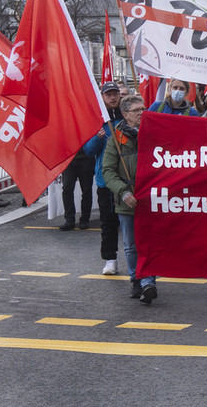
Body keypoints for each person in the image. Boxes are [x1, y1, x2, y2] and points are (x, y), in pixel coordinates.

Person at [103, 94, 158, 304]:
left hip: (151, 200)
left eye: (144, 109)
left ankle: (148, 282)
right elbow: (108, 171)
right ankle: (137, 280)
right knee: (131, 245)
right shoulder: (115, 141)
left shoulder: (153, 134)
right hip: (127, 201)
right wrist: (123, 192)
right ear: (125, 114)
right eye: (137, 110)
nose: (142, 113)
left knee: (150, 242)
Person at [84, 81, 124, 275]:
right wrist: (98, 137)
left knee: (131, 224)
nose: (113, 97)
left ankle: (138, 259)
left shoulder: (127, 117)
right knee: (109, 223)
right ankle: (110, 259)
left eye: (115, 93)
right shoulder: (96, 121)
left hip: (128, 180)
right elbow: (88, 150)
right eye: (108, 94)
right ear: (102, 97)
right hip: (105, 181)